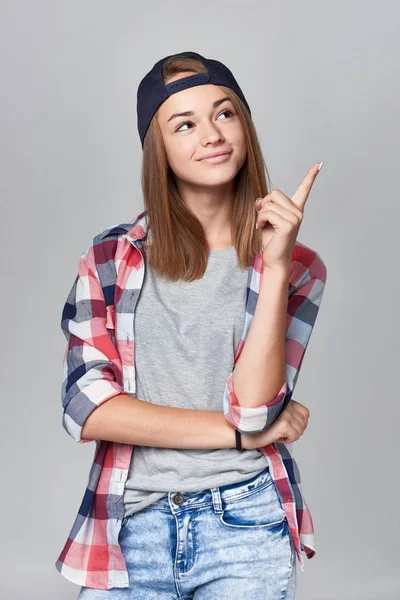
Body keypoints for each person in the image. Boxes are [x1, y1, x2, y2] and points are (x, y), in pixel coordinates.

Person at [55, 51, 327, 599]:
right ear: (159, 150)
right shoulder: (113, 257)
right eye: (185, 123)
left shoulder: (299, 268)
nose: (211, 134)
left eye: (224, 113)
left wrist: (273, 269)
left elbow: (254, 406)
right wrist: (239, 435)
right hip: (132, 527)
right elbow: (86, 407)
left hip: (246, 522)